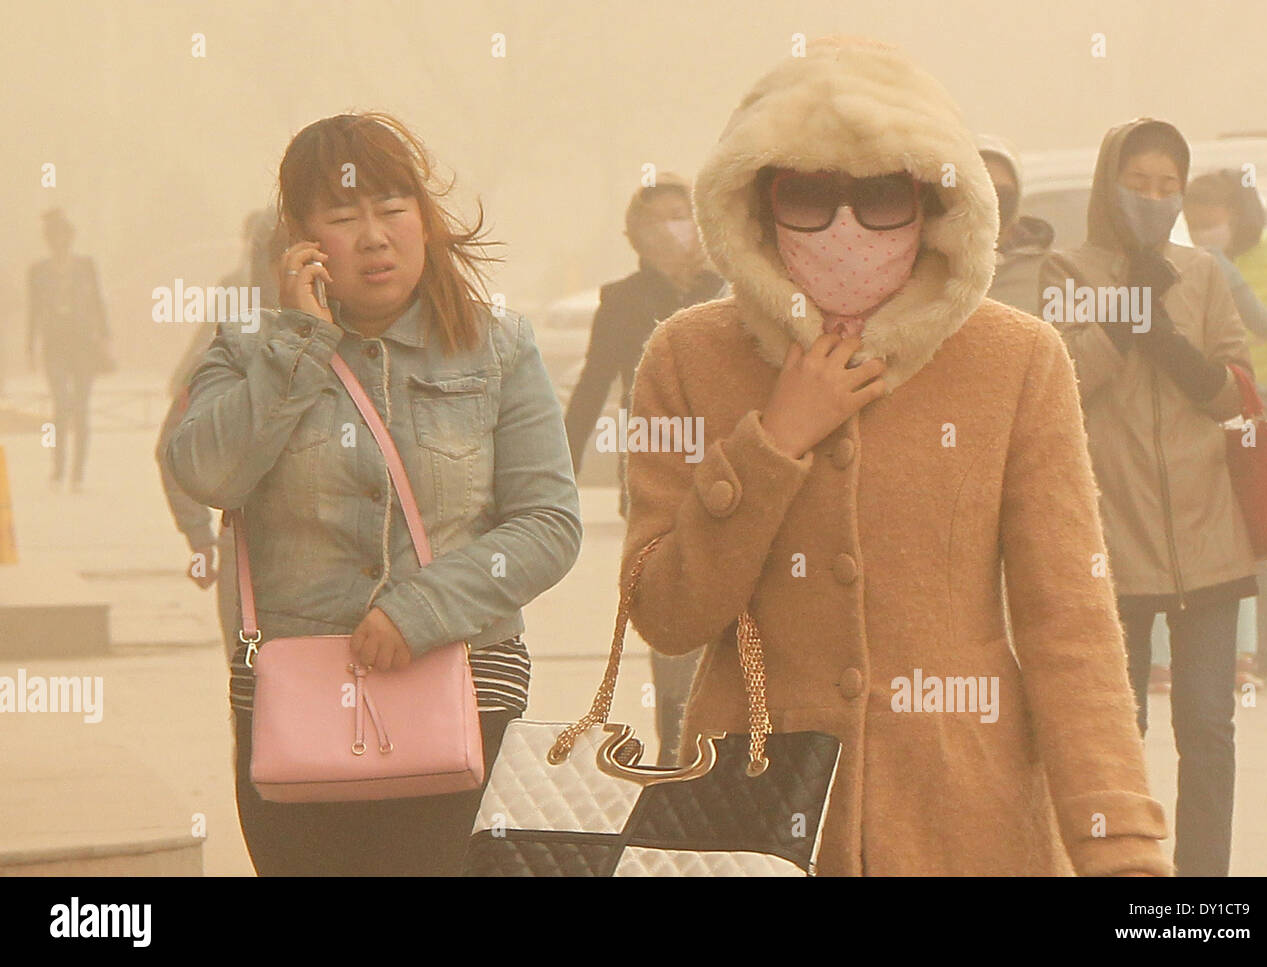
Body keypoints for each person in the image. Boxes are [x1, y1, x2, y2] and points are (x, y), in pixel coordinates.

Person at [620, 37, 1170, 877]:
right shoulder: (688, 356)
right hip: (751, 825)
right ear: (757, 201)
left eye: (881, 195)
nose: (846, 226)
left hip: (966, 824)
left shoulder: (1015, 359)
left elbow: (1071, 626)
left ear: (932, 199)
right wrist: (772, 443)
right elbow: (665, 614)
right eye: (807, 192)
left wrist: (1120, 847)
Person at [166, 112, 582, 875]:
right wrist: (299, 342)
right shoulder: (250, 347)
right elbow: (205, 472)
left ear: (425, 218)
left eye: (393, 208)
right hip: (300, 711)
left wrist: (421, 608)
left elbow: (549, 523)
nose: (374, 235)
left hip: (463, 696)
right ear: (300, 237)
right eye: (343, 215)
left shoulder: (499, 348)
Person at [1040, 118, 1256, 877]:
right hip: (1114, 538)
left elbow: (1233, 391)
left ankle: (1201, 887)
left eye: (1169, 186)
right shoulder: (1066, 269)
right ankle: (1123, 877)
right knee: (1115, 731)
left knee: (1208, 727)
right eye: (1140, 184)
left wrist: (1169, 341)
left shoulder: (1201, 272)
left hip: (1209, 532)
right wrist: (1128, 315)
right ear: (1110, 183)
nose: (1155, 198)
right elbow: (1063, 384)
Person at [563, 173, 723, 766]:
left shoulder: (730, 288)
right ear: (635, 233)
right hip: (656, 481)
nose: (672, 228)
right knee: (673, 620)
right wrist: (558, 475)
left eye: (682, 214)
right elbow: (591, 390)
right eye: (657, 218)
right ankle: (678, 755)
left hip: (735, 474)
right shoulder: (623, 301)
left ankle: (737, 748)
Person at [1186, 170, 1267, 687]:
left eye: (1215, 222)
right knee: (1255, 528)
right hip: (1240, 408)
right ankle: (1262, 655)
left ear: (1240, 215)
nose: (1207, 232)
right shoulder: (1198, 265)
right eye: (1198, 223)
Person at [155, 209, 285, 662]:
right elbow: (176, 445)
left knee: (257, 696)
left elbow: (173, 445)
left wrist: (201, 539)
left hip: (247, 562)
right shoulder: (237, 332)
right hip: (251, 562)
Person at [26, 209, 111, 492]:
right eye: (55, 238)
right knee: (61, 405)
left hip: (83, 344)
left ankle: (77, 473)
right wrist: (30, 346)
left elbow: (98, 302)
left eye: (64, 237)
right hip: (55, 346)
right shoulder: (38, 272)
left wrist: (104, 335)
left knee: (81, 407)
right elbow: (34, 311)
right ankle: (59, 468)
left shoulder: (85, 266)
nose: (60, 243)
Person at [978, 135, 1056, 314]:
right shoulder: (931, 271)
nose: (995, 199)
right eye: (985, 187)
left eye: (1003, 191)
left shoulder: (1050, 272)